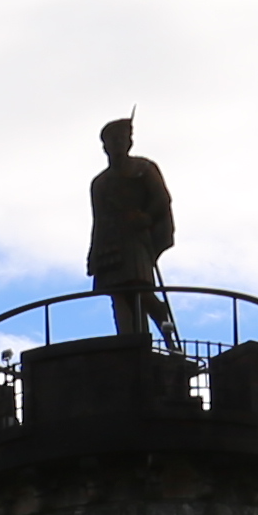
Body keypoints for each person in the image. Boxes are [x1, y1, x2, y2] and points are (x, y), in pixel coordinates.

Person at [85, 114, 180, 353]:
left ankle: (164, 332)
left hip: (135, 239)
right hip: (110, 240)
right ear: (105, 145)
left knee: (139, 288)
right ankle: (129, 345)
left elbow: (161, 200)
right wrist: (93, 252)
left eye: (122, 138)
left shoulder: (143, 168)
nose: (117, 144)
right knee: (117, 294)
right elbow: (98, 220)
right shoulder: (100, 183)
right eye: (112, 140)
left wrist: (145, 217)